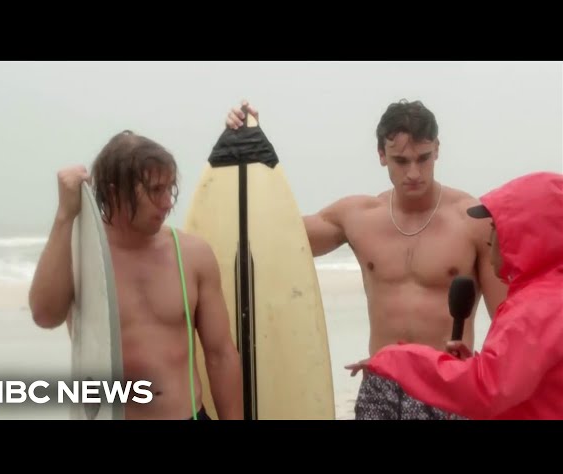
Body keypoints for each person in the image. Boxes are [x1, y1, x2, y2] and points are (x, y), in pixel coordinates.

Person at [225, 99, 508, 420]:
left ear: (438, 150)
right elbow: (278, 236)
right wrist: (251, 148)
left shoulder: (473, 221)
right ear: (381, 155)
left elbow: (506, 320)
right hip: (381, 383)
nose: (414, 173)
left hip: (448, 381)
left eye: (423, 158)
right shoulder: (359, 218)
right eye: (401, 161)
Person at [29, 130, 244, 420]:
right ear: (116, 191)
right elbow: (45, 315)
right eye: (156, 190)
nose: (168, 202)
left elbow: (221, 354)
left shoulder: (192, 254)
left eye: (170, 189)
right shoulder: (81, 257)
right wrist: (65, 214)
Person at [347, 171, 563, 420]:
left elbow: (487, 392)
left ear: (529, 234)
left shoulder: (537, 308)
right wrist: (476, 367)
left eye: (496, 228)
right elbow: (520, 385)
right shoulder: (547, 297)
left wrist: (394, 358)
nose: (489, 239)